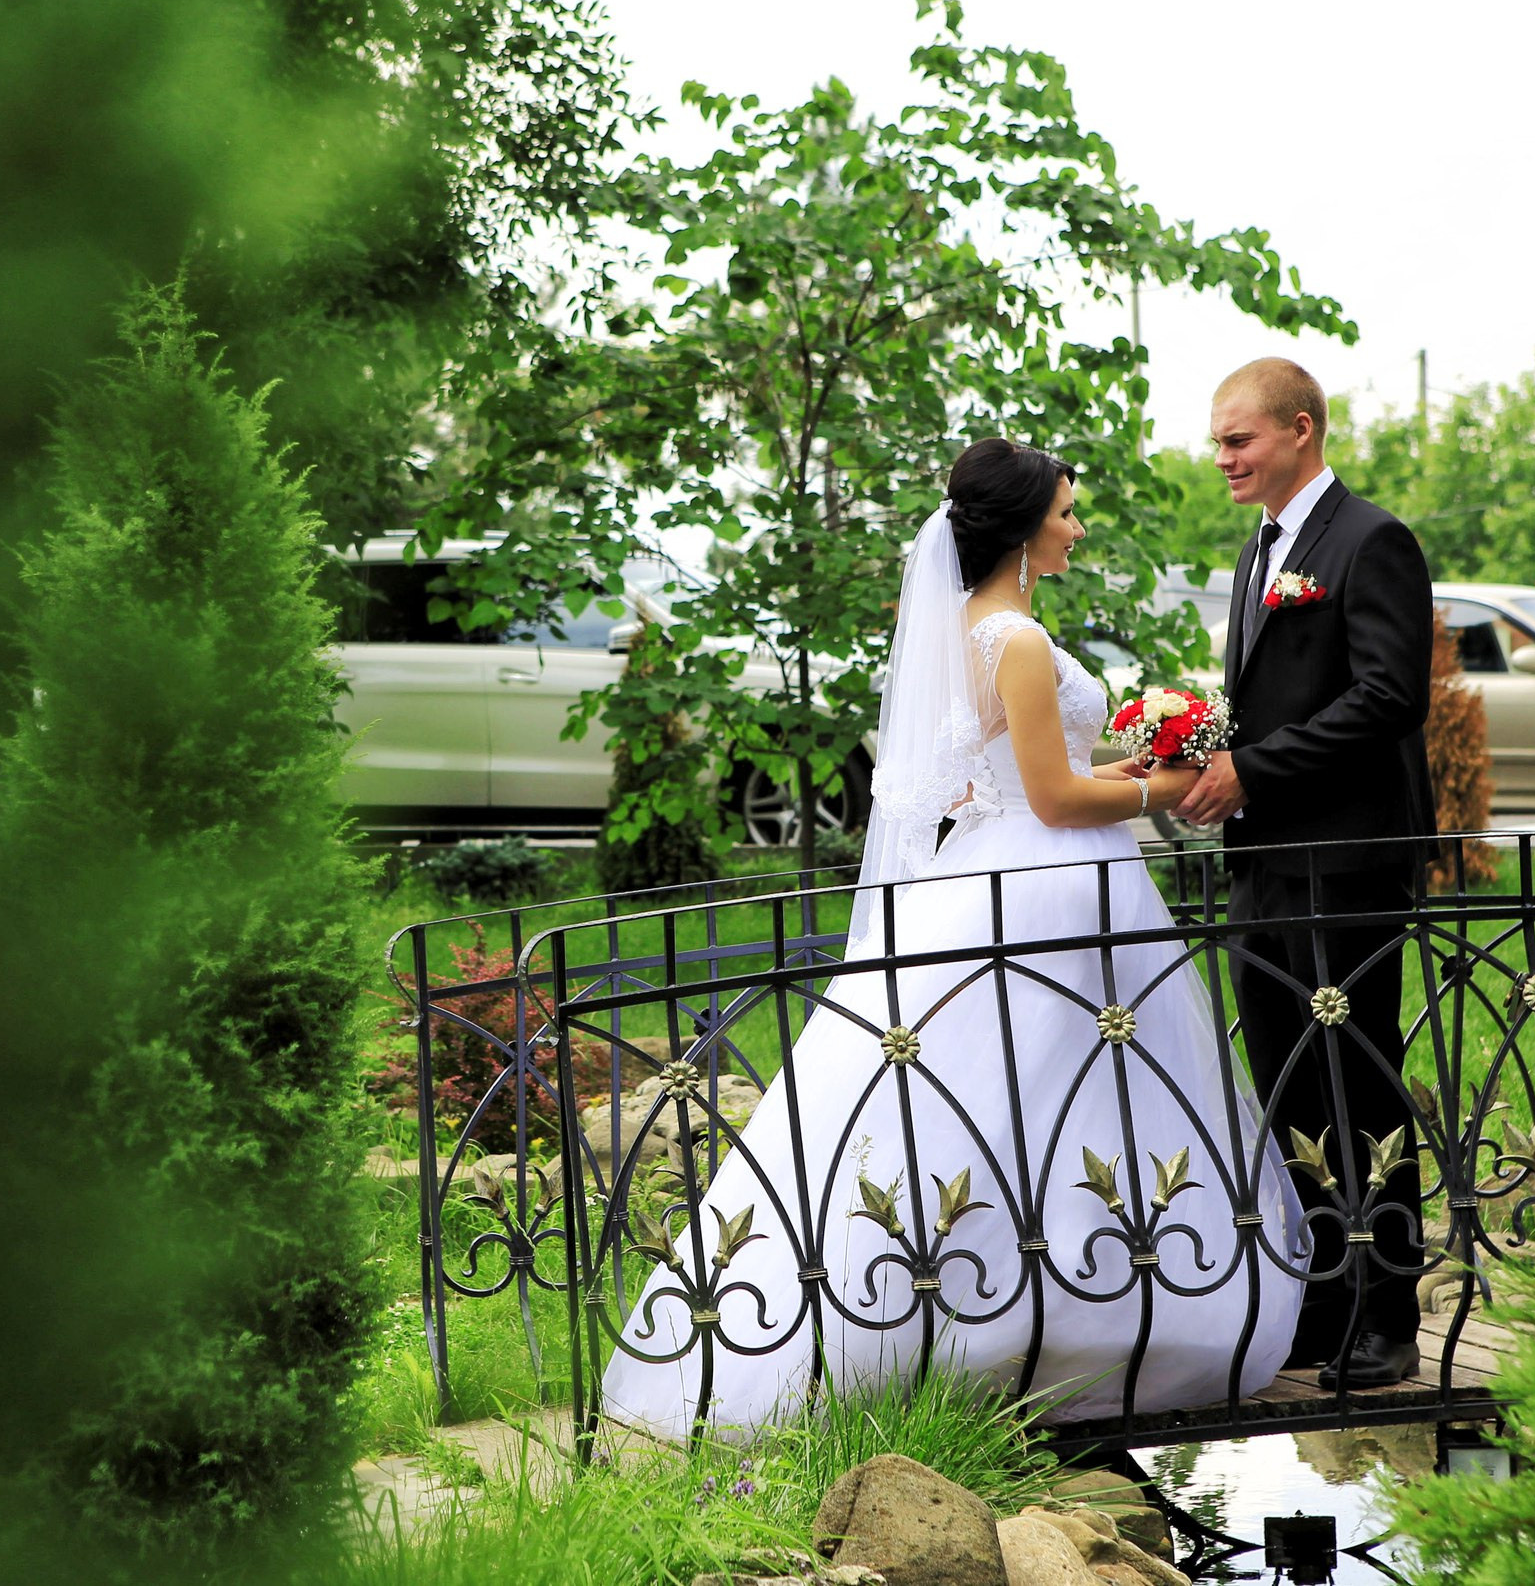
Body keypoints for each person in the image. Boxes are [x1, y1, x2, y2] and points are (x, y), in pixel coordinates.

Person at [600, 439, 1306, 1439]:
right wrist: (1168, 786)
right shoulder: (1013, 636)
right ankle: (1046, 1319)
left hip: (1003, 874)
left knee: (1035, 1101)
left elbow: (1029, 765)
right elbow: (1057, 798)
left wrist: (1143, 747)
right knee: (1043, 1097)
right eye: (1065, 509)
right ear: (1023, 526)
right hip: (1046, 885)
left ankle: (1015, 1317)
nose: (1075, 524)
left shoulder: (979, 630)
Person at [1172, 358, 1436, 1391]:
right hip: (1266, 864)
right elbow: (1279, 699)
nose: (1223, 458)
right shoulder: (1259, 552)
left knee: (1357, 1079)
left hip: (1348, 858)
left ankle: (1389, 1316)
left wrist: (1251, 767)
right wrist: (1202, 753)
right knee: (1289, 1083)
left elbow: (1387, 698)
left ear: (1300, 429)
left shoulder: (1370, 540)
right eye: (1218, 443)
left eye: (1238, 440)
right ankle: (1325, 1299)